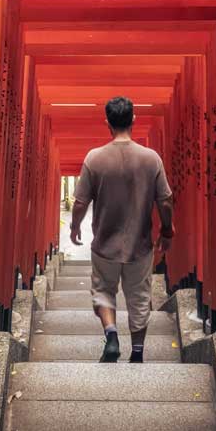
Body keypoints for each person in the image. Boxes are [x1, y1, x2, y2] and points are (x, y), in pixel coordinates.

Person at [70, 95, 174, 364]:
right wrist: (166, 230)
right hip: (139, 246)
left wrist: (75, 227)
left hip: (105, 243)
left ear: (107, 123)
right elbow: (165, 200)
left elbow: (81, 201)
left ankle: (112, 334)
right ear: (134, 120)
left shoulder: (95, 158)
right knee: (139, 297)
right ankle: (137, 353)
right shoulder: (151, 159)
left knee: (103, 290)